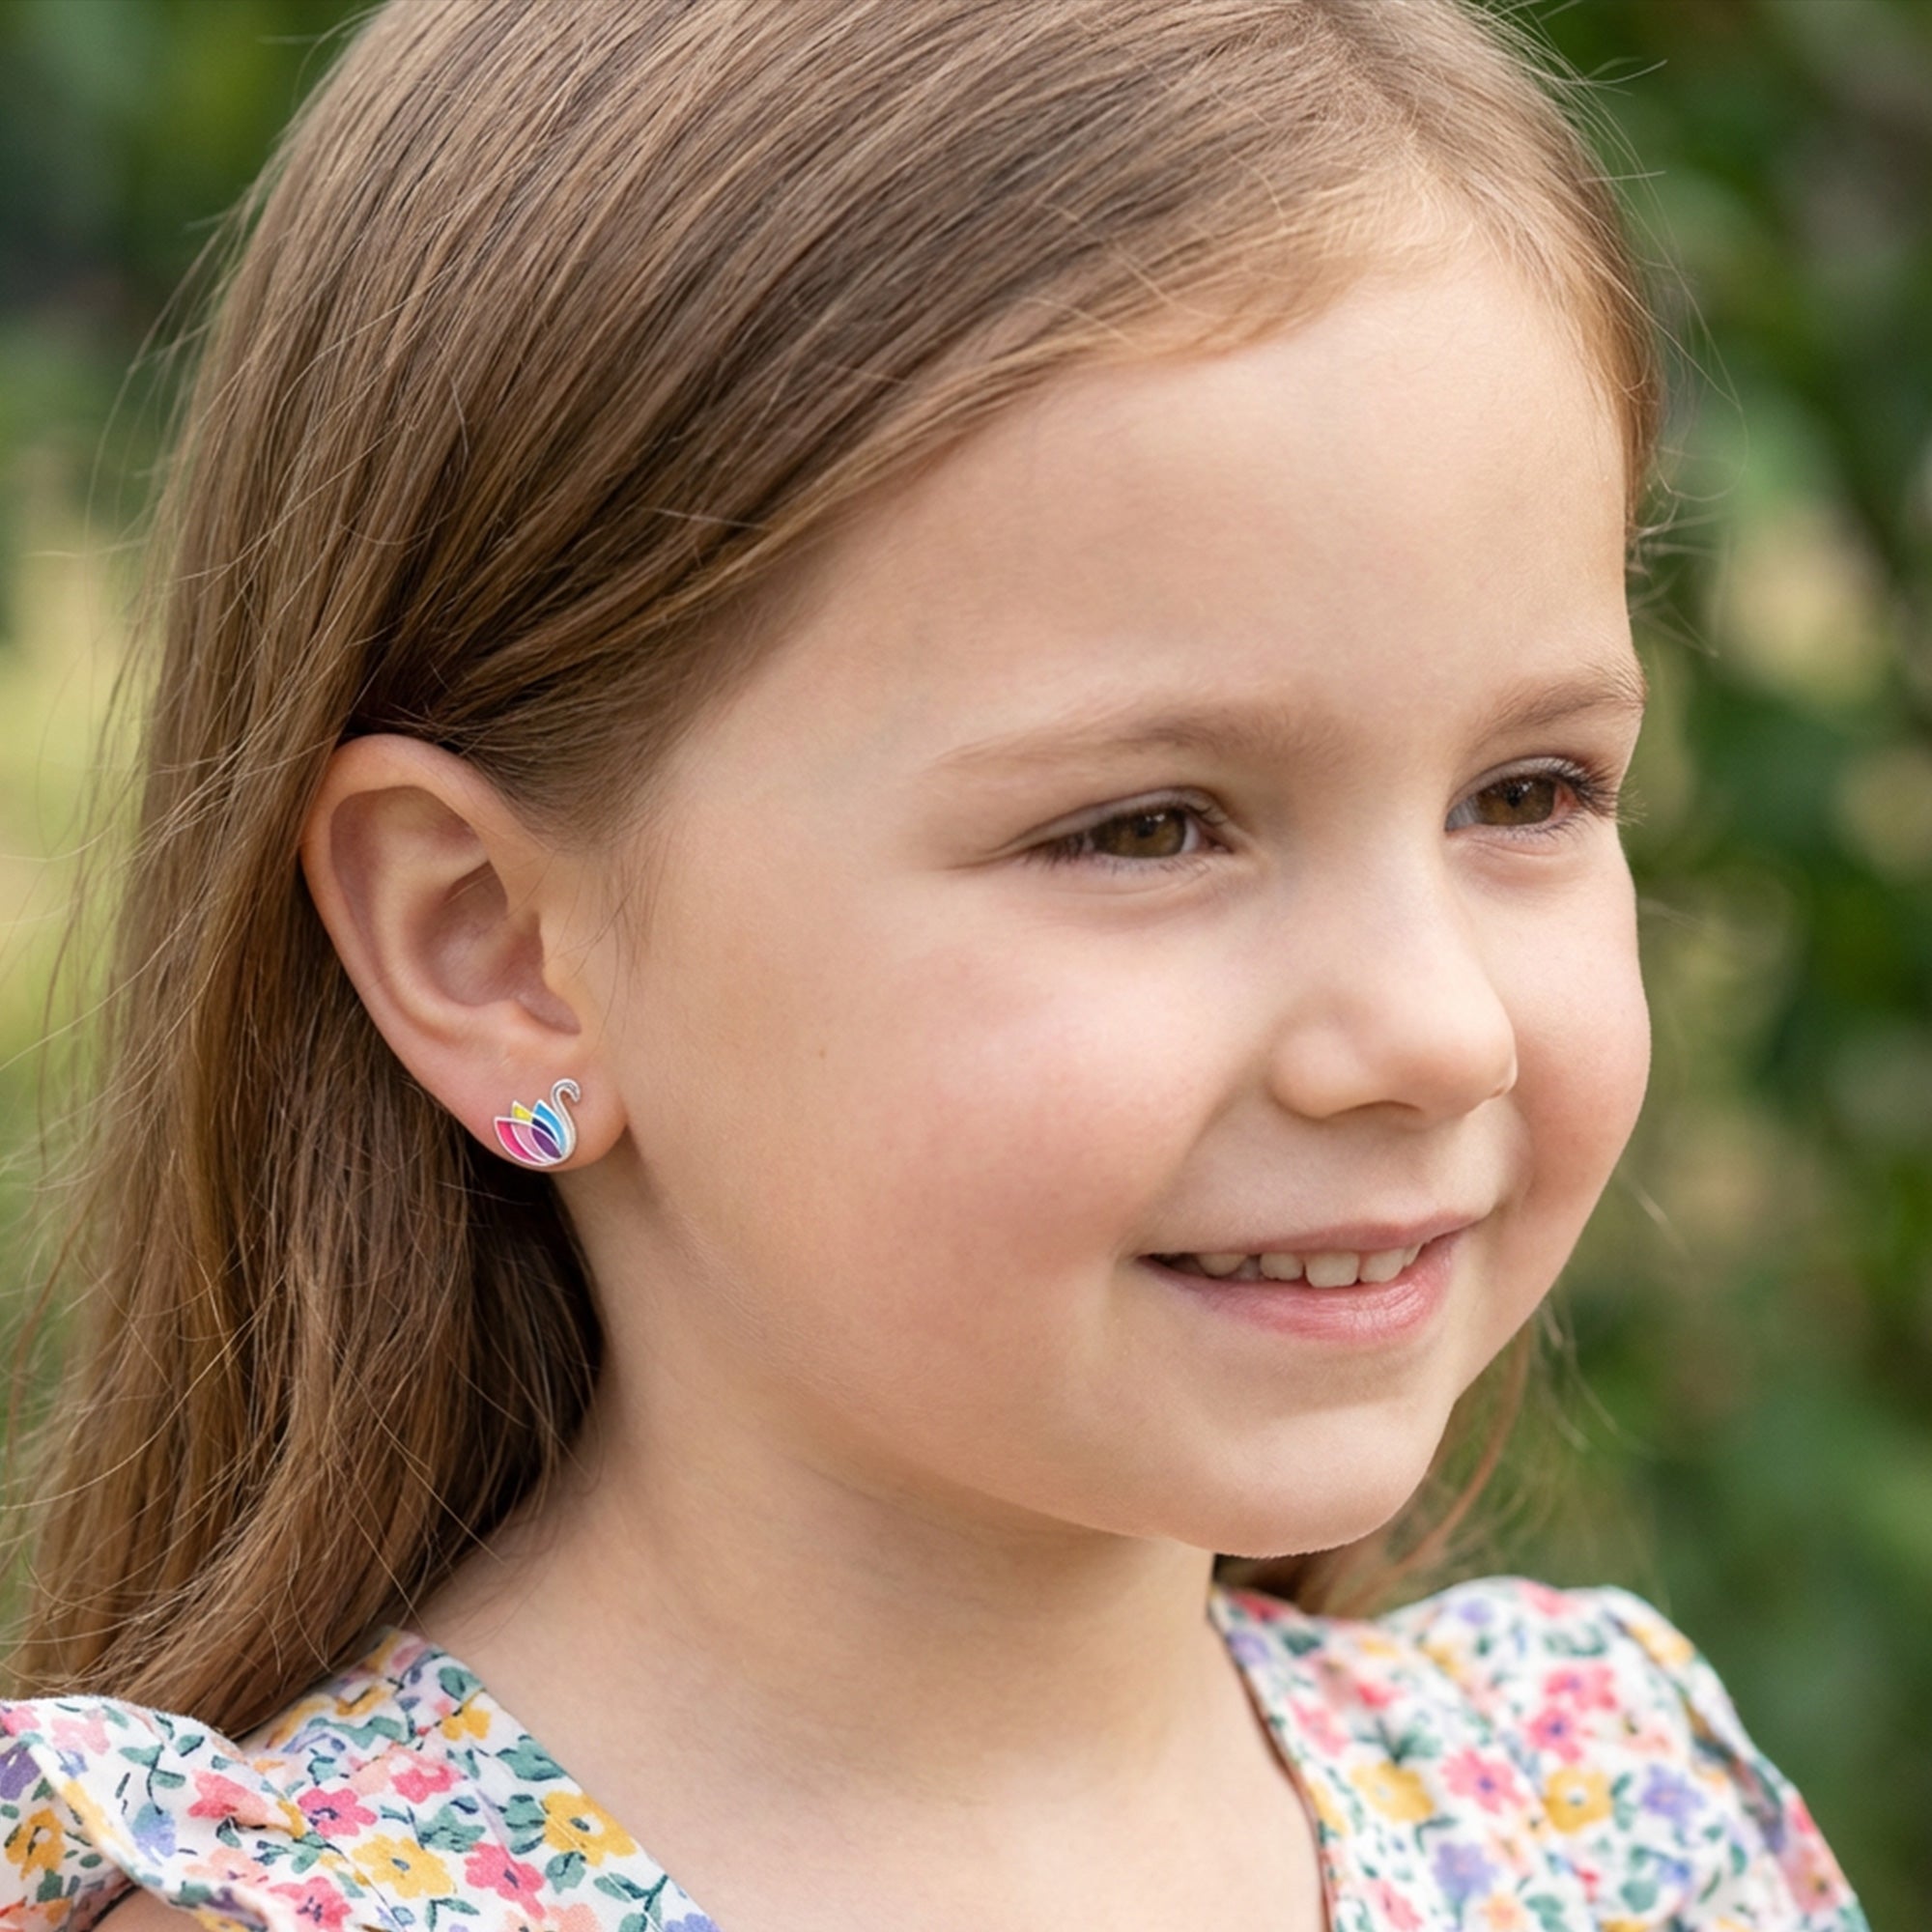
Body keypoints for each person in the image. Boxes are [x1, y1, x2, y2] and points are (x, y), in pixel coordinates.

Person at [0, 1, 1870, 1927]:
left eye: (1529, 790)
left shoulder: (1614, 1811)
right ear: (494, 947)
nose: (1433, 1026)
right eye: (1145, 826)